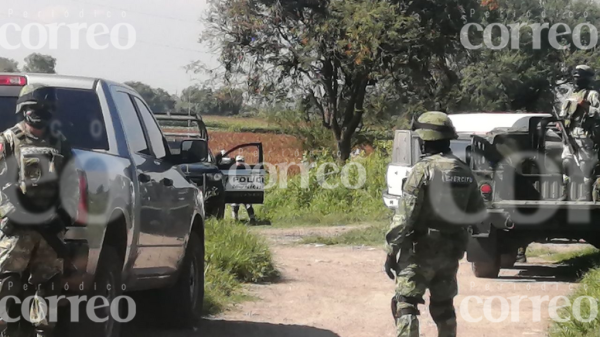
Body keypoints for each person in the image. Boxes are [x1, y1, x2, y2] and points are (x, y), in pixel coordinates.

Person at [384, 111, 486, 337]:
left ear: (424, 139)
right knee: (443, 306)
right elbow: (478, 214)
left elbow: (405, 215)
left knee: (406, 303)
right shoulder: (464, 171)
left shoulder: (422, 170)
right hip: (450, 252)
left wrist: (391, 251)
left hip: (419, 250)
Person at [0, 84, 76, 337]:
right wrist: (15, 212)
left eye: (45, 109)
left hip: (49, 230)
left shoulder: (60, 143)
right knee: (7, 285)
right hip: (17, 230)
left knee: (48, 288)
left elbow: (70, 183)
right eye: (34, 108)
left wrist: (63, 216)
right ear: (23, 110)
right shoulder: (8, 140)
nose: (40, 113)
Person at [559, 64, 600, 201]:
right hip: (569, 133)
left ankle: (587, 194)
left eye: (579, 77)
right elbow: (563, 114)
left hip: (583, 133)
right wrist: (560, 124)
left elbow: (598, 113)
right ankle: (565, 193)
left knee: (585, 164)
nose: (576, 80)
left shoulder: (592, 94)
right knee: (566, 161)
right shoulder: (570, 95)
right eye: (575, 77)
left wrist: (585, 105)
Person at [231, 155, 257, 225]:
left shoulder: (246, 170)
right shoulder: (233, 169)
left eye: (241, 161)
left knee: (248, 205)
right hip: (237, 190)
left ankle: (252, 219)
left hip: (244, 189)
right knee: (235, 205)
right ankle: (235, 220)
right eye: (238, 161)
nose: (240, 163)